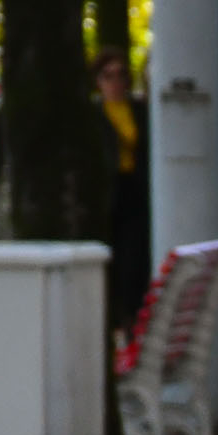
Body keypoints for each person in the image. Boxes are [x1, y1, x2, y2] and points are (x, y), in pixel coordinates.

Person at [92, 46, 150, 334]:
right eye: (108, 76)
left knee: (134, 259)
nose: (115, 82)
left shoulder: (139, 111)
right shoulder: (94, 115)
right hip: (108, 193)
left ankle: (131, 318)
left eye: (120, 75)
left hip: (134, 190)